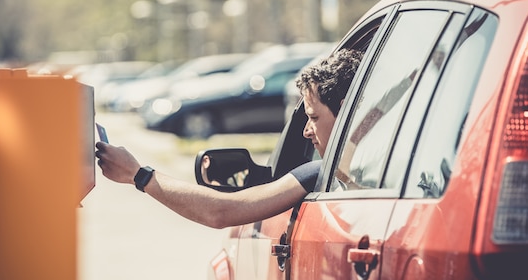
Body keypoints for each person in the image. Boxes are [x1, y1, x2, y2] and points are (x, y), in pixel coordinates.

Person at [95, 49, 363, 229]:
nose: (306, 130)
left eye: (314, 118)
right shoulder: (380, 170)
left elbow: (221, 211)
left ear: (348, 111)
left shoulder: (322, 173)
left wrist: (139, 175)